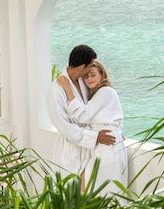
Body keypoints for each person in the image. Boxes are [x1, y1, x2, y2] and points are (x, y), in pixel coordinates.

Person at [56, 60, 127, 195]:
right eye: (86, 76)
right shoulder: (97, 95)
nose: (89, 79)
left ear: (102, 74)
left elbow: (84, 116)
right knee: (89, 186)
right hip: (104, 142)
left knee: (96, 188)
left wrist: (67, 88)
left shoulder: (105, 91)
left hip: (107, 145)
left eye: (93, 75)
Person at [46, 44, 115, 183]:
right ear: (82, 67)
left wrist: (113, 129)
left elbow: (93, 110)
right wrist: (95, 137)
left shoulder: (83, 81)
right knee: (71, 193)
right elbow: (66, 128)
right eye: (90, 66)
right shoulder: (56, 92)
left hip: (88, 148)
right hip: (70, 149)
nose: (92, 69)